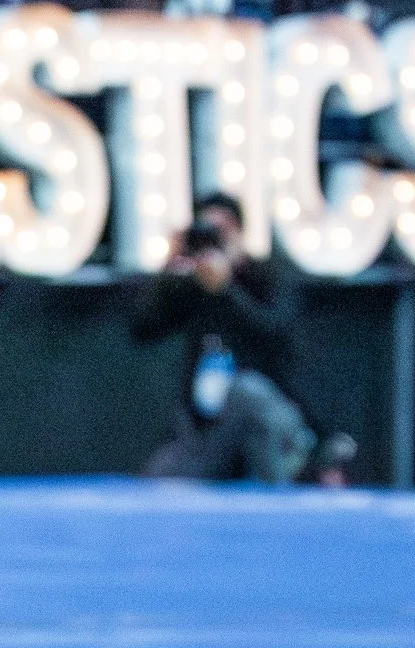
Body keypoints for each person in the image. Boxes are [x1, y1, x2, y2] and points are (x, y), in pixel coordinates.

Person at [133, 194, 354, 486]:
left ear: (239, 232)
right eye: (204, 234)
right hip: (209, 429)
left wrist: (227, 288)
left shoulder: (265, 277)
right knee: (157, 482)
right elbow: (142, 329)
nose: (213, 243)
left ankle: (300, 470)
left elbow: (275, 335)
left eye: (220, 233)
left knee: (248, 391)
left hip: (269, 427)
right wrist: (169, 269)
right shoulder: (191, 286)